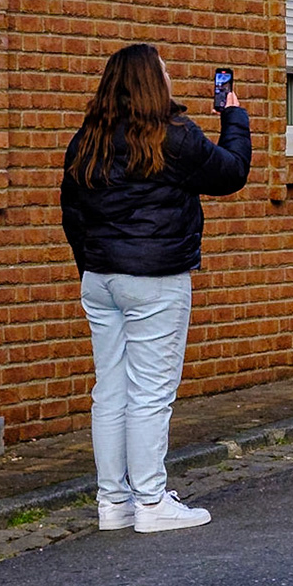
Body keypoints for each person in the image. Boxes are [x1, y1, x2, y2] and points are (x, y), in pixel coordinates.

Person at [60, 44, 251, 534]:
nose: (169, 80)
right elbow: (231, 174)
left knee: (111, 391)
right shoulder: (175, 138)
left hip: (100, 280)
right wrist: (234, 118)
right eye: (163, 73)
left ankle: (113, 503)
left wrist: (92, 267)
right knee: (150, 393)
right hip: (156, 281)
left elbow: (71, 212)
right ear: (150, 83)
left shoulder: (87, 139)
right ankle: (150, 502)